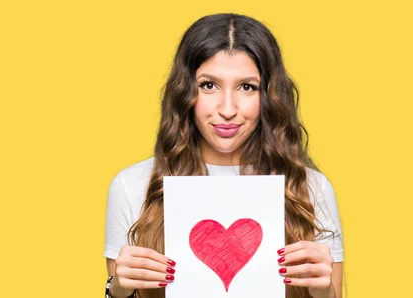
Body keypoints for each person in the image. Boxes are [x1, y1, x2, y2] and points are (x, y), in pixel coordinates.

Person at [103, 13, 344, 298]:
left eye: (247, 87)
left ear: (268, 96)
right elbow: (119, 291)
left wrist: (324, 291)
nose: (227, 108)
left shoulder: (310, 189)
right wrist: (117, 288)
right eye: (208, 85)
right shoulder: (132, 186)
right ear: (185, 92)